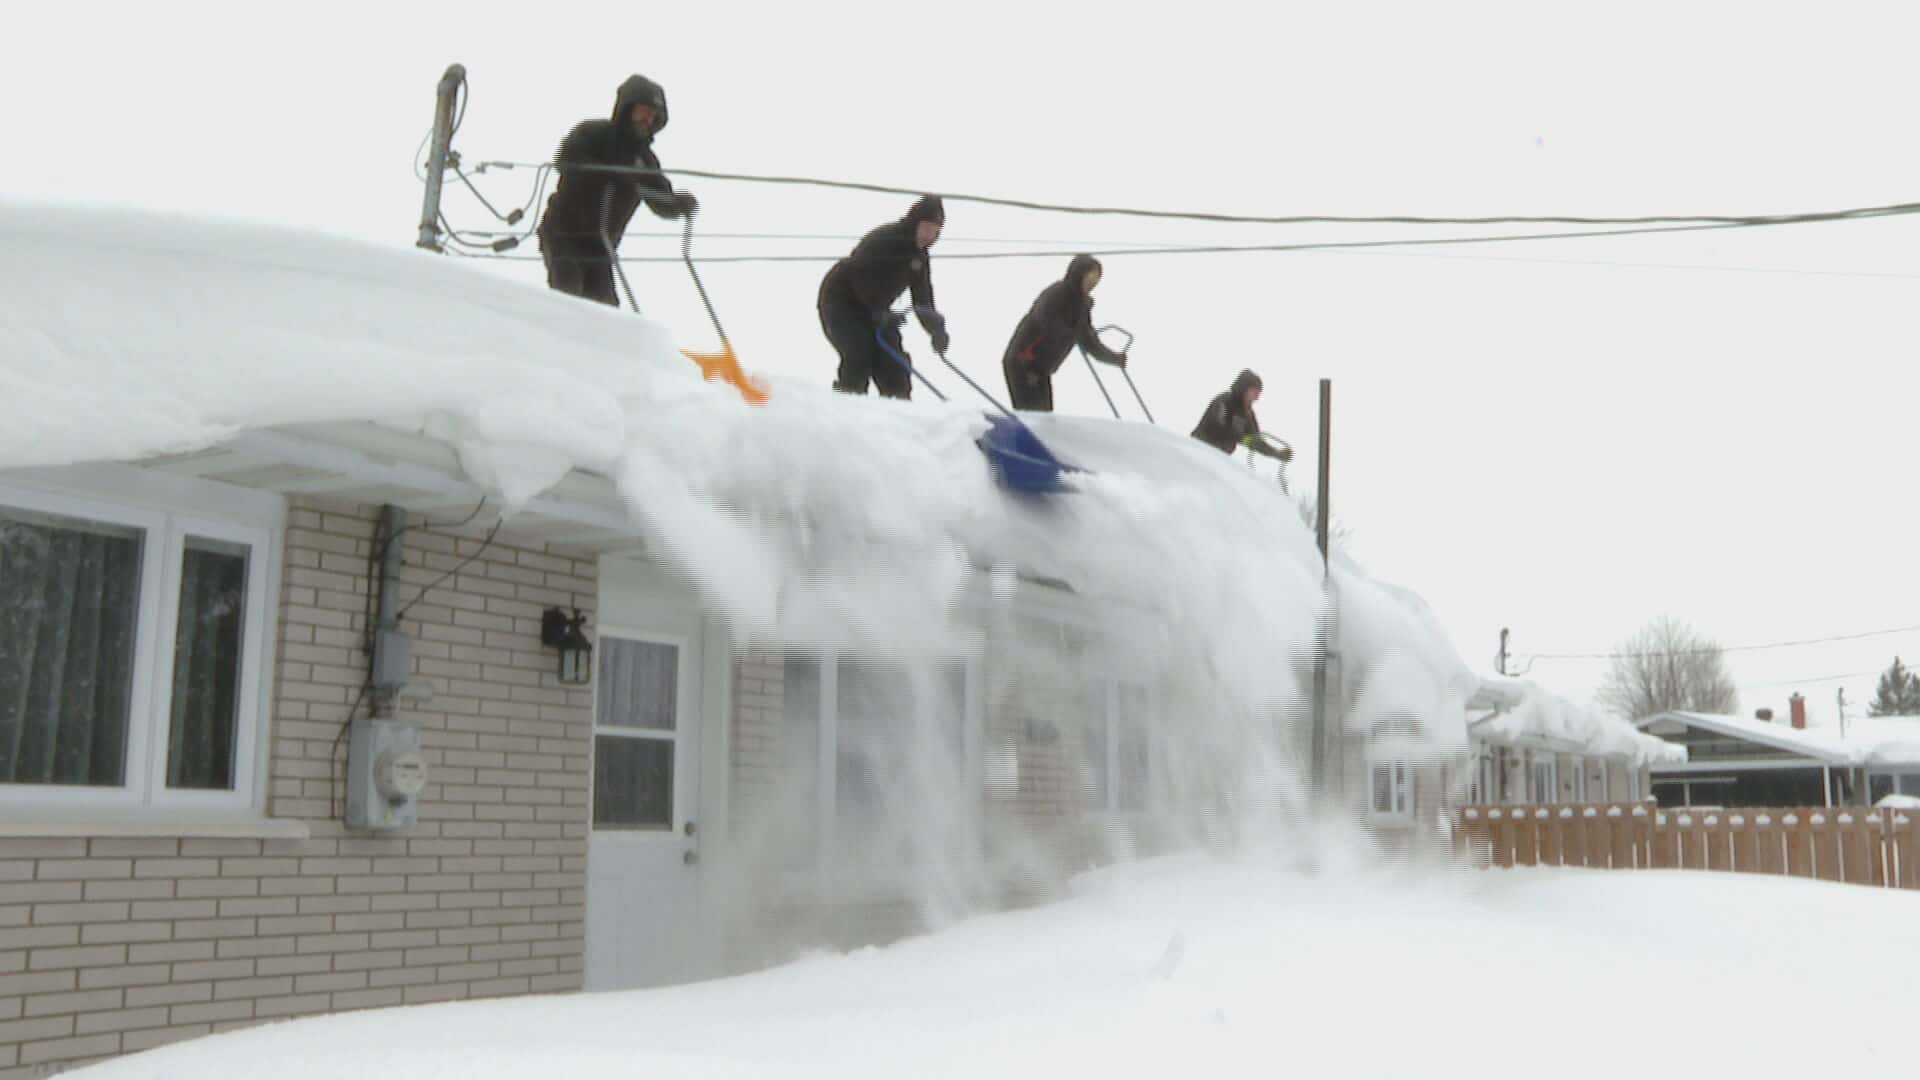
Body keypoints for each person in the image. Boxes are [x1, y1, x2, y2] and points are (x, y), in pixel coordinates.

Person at [537, 74, 699, 307]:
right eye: (643, 112)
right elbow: (566, 160)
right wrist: (609, 175)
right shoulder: (593, 134)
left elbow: (659, 199)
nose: (647, 120)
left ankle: (601, 341)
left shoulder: (645, 161)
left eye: (653, 116)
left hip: (600, 248)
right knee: (568, 294)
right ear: (627, 109)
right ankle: (557, 335)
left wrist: (679, 205)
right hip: (564, 235)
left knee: (606, 310)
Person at [817, 195, 950, 399]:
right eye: (926, 228)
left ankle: (899, 412)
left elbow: (922, 298)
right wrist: (878, 309)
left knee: (895, 363)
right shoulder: (885, 239)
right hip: (842, 303)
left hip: (877, 311)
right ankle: (846, 407)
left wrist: (936, 330)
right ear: (914, 223)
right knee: (859, 354)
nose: (929, 235)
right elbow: (860, 275)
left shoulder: (920, 258)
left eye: (935, 231)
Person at [1000, 254, 1127, 412]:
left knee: (1044, 416)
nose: (1093, 282)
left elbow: (1090, 342)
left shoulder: (1082, 307)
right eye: (1091, 275)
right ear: (1079, 273)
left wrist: (1114, 358)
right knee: (1032, 415)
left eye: (1097, 278)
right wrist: (1073, 332)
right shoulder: (1057, 293)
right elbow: (1045, 322)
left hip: (1040, 370)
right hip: (1022, 362)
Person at [1192, 369, 1290, 460]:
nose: (1257, 398)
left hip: (1219, 458)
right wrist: (1243, 439)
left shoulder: (1248, 414)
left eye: (1258, 394)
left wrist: (1276, 453)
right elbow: (1217, 428)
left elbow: (1254, 440)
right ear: (1244, 389)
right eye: (1255, 393)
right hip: (1198, 451)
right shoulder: (1224, 401)